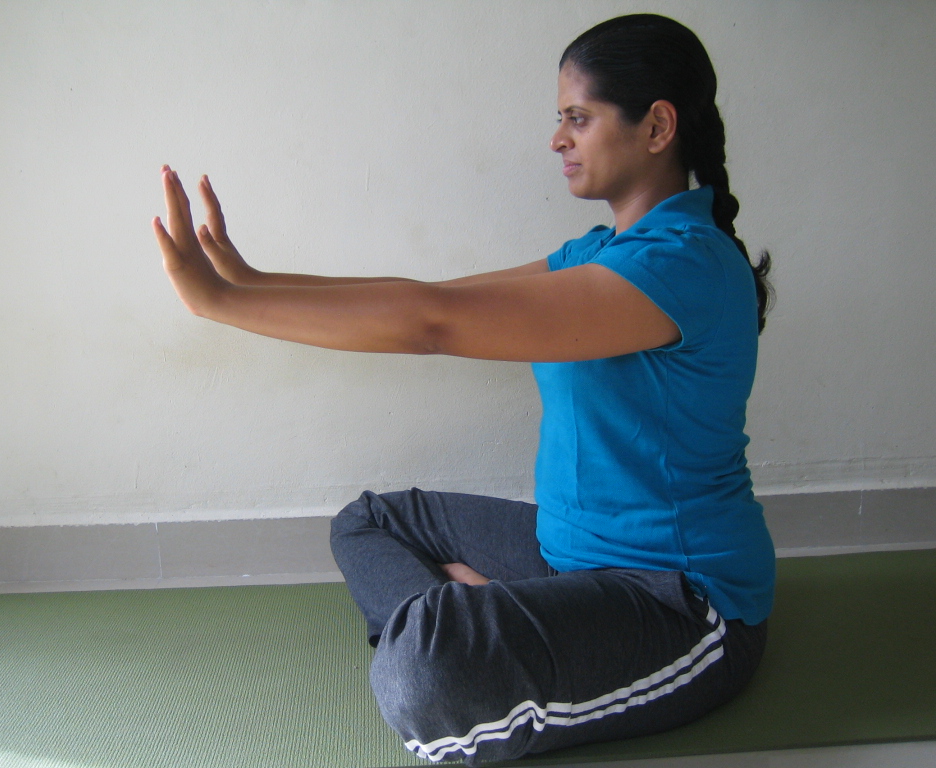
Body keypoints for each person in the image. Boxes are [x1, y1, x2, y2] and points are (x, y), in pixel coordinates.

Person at [152, 13, 774, 765]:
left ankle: (450, 623)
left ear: (657, 126)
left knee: (424, 674)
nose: (556, 140)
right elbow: (435, 295)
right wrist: (253, 281)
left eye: (578, 118)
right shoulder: (600, 254)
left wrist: (224, 306)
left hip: (679, 604)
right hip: (568, 555)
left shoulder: (683, 266)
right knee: (370, 522)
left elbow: (433, 322)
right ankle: (464, 611)